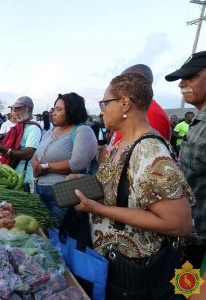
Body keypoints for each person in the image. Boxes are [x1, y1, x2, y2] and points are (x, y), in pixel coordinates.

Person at [72, 73, 194, 298]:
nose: (101, 110)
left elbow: (179, 223)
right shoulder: (122, 143)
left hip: (135, 273)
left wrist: (97, 209)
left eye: (105, 103)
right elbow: (124, 191)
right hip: (113, 265)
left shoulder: (149, 151)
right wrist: (88, 184)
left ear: (125, 103)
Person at [166, 50, 206, 268]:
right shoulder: (198, 120)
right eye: (181, 79)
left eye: (192, 77)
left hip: (201, 245)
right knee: (182, 290)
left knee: (189, 292)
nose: (182, 84)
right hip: (190, 236)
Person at [31, 93, 97, 222]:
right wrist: (35, 165)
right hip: (40, 192)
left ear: (72, 111)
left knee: (63, 237)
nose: (53, 113)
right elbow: (36, 155)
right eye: (54, 109)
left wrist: (46, 167)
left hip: (63, 195)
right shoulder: (51, 131)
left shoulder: (82, 131)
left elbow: (78, 164)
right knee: (44, 235)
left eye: (59, 109)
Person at [107, 64, 172, 151]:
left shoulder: (150, 113)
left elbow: (147, 156)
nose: (117, 85)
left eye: (123, 81)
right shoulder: (133, 108)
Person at [0, 96, 42, 185]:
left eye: (19, 109)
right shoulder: (19, 126)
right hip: (10, 176)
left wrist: (5, 149)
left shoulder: (33, 128)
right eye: (15, 109)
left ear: (30, 110)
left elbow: (28, 154)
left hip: (22, 180)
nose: (16, 112)